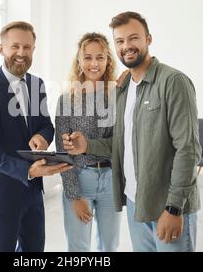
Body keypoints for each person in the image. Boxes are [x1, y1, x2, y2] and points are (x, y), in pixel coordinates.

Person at [63, 12, 201, 252]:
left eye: (133, 38)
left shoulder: (173, 81)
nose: (126, 46)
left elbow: (188, 150)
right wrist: (88, 146)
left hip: (166, 207)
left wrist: (174, 208)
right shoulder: (125, 89)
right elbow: (122, 143)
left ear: (148, 39)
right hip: (137, 205)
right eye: (120, 41)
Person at [0, 21, 72, 252]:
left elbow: (46, 125)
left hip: (33, 192)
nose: (21, 53)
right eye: (14, 46)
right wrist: (28, 170)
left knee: (34, 251)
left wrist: (42, 136)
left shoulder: (37, 85)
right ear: (1, 49)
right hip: (3, 192)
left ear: (33, 50)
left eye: (27, 47)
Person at [56, 32, 121, 252]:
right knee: (78, 249)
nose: (94, 63)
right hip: (80, 179)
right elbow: (62, 152)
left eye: (100, 57)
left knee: (109, 246)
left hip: (111, 182)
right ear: (79, 61)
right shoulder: (66, 100)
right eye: (88, 57)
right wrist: (74, 196)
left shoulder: (117, 97)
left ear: (108, 61)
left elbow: (120, 143)